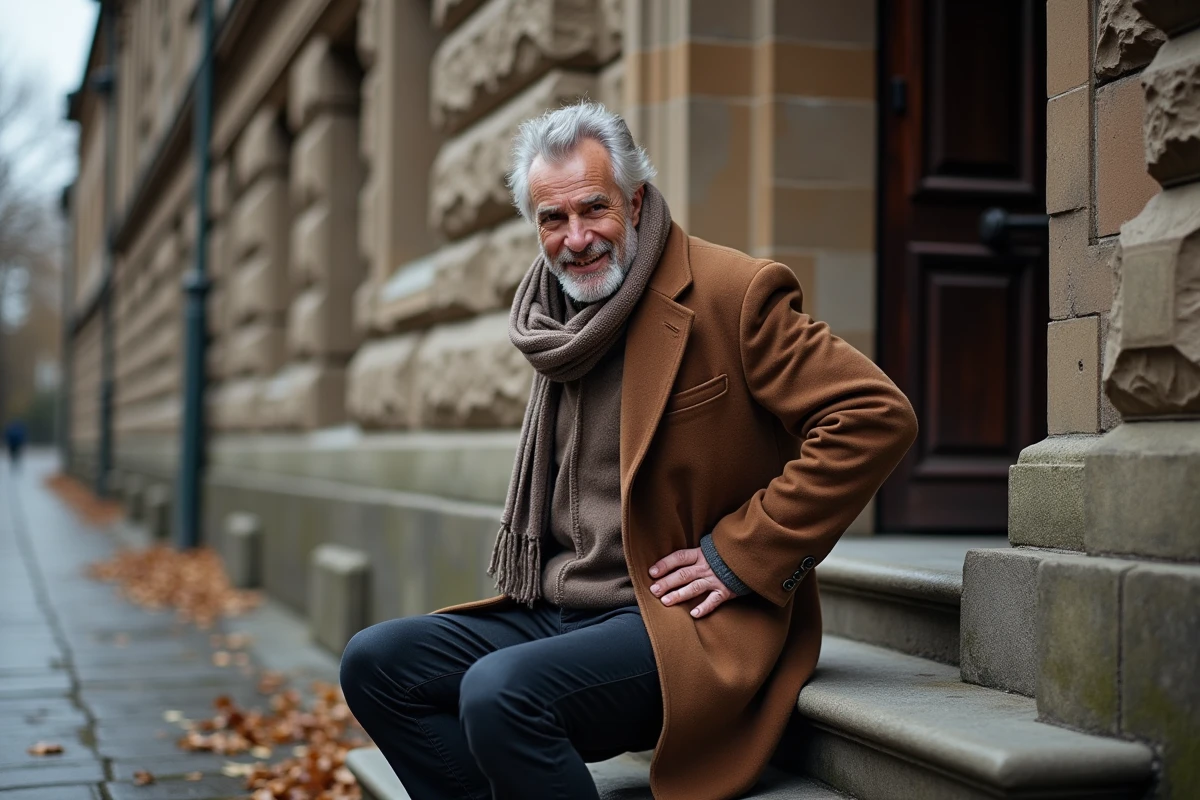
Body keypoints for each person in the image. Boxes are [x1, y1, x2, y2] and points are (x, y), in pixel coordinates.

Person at [339, 102, 918, 800]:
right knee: (376, 663)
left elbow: (873, 416)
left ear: (636, 201)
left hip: (679, 620)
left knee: (501, 693)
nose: (576, 238)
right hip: (562, 604)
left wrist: (743, 553)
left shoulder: (732, 293)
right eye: (553, 219)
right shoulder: (551, 321)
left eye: (594, 209)